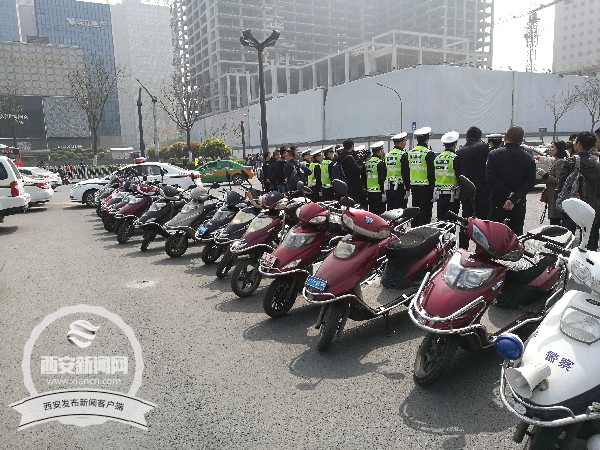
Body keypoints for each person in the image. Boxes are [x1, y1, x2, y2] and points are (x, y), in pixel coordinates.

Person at [486, 125, 536, 236]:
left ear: (505, 138)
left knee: (495, 236)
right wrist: (514, 198)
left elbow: (491, 179)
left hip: (498, 201)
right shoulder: (528, 158)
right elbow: (530, 182)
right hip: (518, 203)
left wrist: (508, 194)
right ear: (522, 140)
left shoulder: (494, 155)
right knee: (515, 236)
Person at [557, 132, 600, 250]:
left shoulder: (570, 162)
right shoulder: (596, 165)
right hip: (591, 206)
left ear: (579, 144)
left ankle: (567, 259)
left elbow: (561, 184)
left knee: (567, 239)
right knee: (589, 241)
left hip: (571, 204)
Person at [454, 126, 492, 248]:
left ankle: (463, 248)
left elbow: (457, 173)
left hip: (466, 192)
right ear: (480, 138)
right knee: (483, 222)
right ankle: (482, 249)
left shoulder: (459, 152)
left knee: (466, 221)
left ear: (466, 137)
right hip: (483, 191)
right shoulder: (484, 148)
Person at [407, 127, 435, 226]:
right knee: (425, 213)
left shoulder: (410, 153)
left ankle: (414, 230)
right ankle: (424, 232)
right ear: (427, 138)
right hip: (426, 187)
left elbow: (407, 170)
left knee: (416, 211)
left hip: (414, 186)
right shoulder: (428, 153)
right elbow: (431, 173)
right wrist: (433, 189)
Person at [536, 141, 568, 225]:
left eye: (553, 147)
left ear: (559, 149)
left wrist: (545, 175)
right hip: (553, 197)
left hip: (556, 198)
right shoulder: (556, 161)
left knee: (556, 223)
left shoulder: (560, 162)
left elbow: (559, 181)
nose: (550, 149)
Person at [434, 131, 460, 221]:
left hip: (439, 195)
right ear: (455, 144)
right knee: (451, 222)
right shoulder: (455, 158)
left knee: (441, 221)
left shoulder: (437, 158)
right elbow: (459, 176)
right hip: (452, 195)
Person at [385, 132, 409, 209]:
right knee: (400, 210)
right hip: (400, 187)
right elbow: (405, 173)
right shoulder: (403, 155)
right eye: (405, 141)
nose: (405, 143)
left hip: (389, 187)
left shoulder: (387, 155)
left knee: (390, 209)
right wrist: (408, 188)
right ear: (402, 142)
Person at [336, 139, 364, 205]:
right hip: (352, 186)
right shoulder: (349, 157)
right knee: (354, 203)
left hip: (343, 184)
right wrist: (361, 161)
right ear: (352, 146)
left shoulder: (340, 157)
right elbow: (358, 170)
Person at [365, 142, 387, 215]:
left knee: (372, 213)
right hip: (378, 192)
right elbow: (382, 179)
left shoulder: (368, 163)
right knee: (380, 214)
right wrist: (383, 192)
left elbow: (365, 178)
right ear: (380, 151)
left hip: (370, 192)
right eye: (382, 150)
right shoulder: (380, 163)